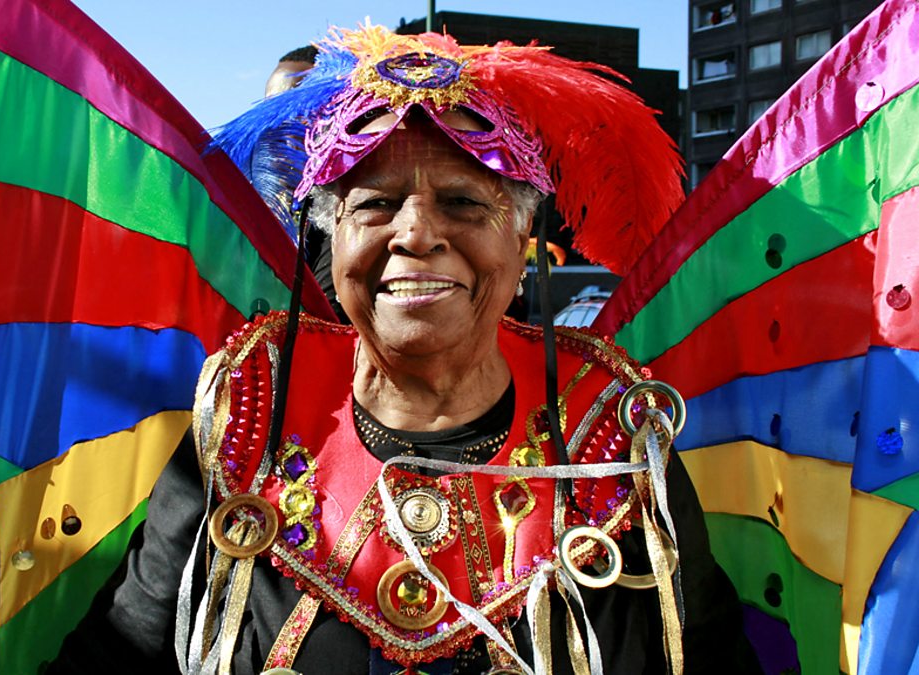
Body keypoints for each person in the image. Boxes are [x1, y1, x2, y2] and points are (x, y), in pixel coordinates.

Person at [52, 25, 757, 674]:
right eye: (376, 203)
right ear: (334, 235)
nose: (416, 233)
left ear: (521, 241)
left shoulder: (611, 434)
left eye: (462, 202)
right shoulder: (248, 414)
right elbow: (123, 649)